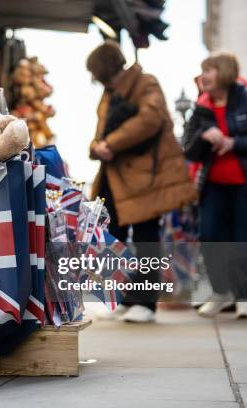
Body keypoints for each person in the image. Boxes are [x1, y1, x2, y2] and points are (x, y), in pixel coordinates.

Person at [87, 41, 196, 323]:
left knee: (147, 236)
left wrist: (109, 142)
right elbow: (101, 131)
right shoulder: (110, 93)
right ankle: (124, 297)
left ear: (102, 69)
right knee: (112, 238)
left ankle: (146, 303)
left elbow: (151, 118)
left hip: (145, 175)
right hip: (115, 176)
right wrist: (96, 146)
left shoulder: (145, 82)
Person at [183, 52, 247, 319]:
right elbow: (189, 151)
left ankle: (246, 297)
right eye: (203, 70)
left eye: (210, 70)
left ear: (225, 73)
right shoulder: (201, 108)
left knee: (245, 240)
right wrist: (204, 136)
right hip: (213, 185)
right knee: (210, 236)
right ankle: (220, 291)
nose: (204, 76)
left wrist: (235, 143)